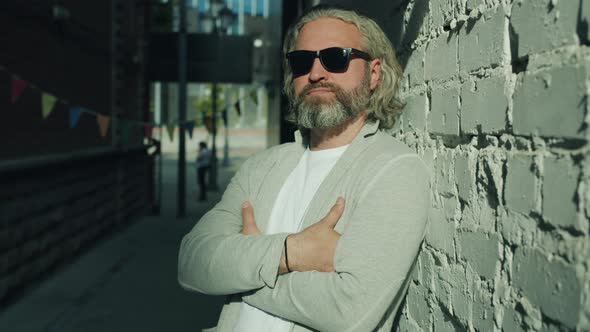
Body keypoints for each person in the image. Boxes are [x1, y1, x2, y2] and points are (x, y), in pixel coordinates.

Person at [178, 5, 430, 332]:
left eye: (336, 58)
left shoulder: (393, 169)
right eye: (301, 61)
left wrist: (241, 269)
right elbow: (192, 263)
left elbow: (348, 313)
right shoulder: (262, 167)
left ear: (374, 74)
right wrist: (291, 252)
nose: (315, 73)